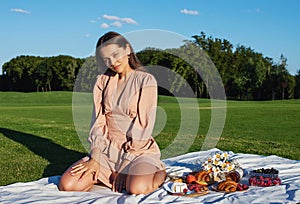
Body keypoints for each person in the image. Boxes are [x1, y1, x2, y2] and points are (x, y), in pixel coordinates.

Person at [59, 31, 166, 195]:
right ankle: (108, 176)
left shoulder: (146, 80)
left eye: (116, 54)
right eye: (106, 59)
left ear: (127, 49)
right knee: (68, 185)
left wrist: (125, 166)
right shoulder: (102, 81)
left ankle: (159, 173)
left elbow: (143, 127)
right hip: (107, 153)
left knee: (136, 188)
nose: (112, 62)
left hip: (137, 153)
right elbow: (98, 122)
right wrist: (95, 157)